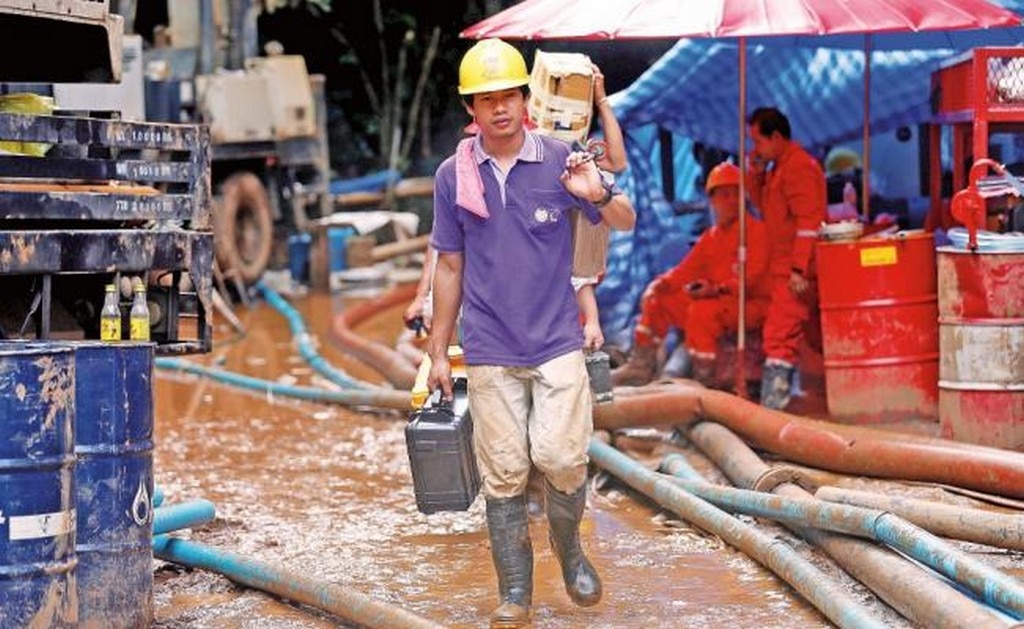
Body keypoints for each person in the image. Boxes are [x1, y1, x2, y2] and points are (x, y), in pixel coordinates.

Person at [426, 38, 636, 628]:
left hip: (556, 342)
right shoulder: (453, 177)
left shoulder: (561, 159)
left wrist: (598, 194)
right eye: (486, 100)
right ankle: (515, 593)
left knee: (562, 459)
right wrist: (439, 353)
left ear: (525, 99)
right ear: (471, 110)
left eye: (508, 96)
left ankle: (569, 553)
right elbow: (449, 264)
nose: (499, 109)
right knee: (505, 473)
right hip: (490, 346)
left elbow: (624, 220)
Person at [610, 161, 770, 388]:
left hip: (748, 303)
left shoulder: (756, 232)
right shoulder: (712, 237)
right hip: (718, 300)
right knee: (658, 300)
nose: (732, 200)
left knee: (700, 311)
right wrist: (660, 284)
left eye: (736, 194)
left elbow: (751, 280)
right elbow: (686, 271)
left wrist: (715, 290)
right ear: (712, 200)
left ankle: (705, 380)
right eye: (724, 195)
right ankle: (640, 367)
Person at [746, 107, 827, 410]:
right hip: (786, 269)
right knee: (807, 338)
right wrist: (755, 172)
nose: (755, 148)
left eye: (758, 141)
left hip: (796, 272)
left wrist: (798, 270)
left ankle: (771, 416)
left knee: (779, 337)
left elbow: (809, 223)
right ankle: (804, 405)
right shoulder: (779, 167)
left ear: (776, 137)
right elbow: (763, 206)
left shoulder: (798, 168)